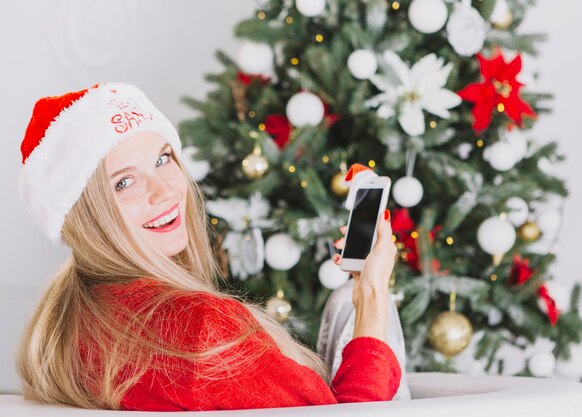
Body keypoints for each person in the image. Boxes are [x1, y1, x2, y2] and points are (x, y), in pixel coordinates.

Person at [16, 82, 405, 411]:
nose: (164, 190)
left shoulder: (60, 331)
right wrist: (371, 295)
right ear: (88, 216)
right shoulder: (201, 330)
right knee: (355, 308)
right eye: (124, 182)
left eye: (163, 158)